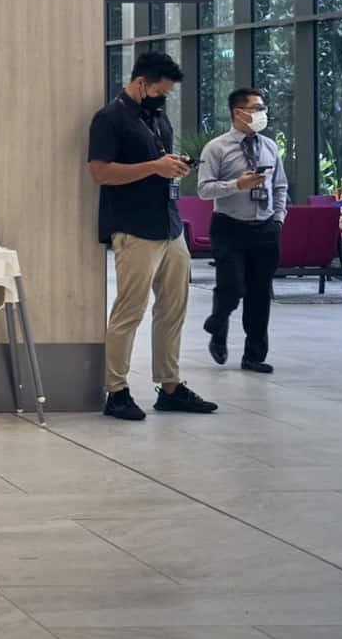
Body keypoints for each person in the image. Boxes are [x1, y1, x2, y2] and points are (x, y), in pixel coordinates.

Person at [90, 50, 217, 422]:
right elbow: (100, 173)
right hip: (134, 227)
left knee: (173, 309)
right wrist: (154, 167)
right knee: (130, 311)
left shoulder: (158, 118)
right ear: (141, 82)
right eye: (161, 90)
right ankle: (116, 391)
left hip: (169, 225)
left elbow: (158, 165)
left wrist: (174, 166)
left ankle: (170, 386)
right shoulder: (109, 119)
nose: (164, 97)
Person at [196, 88, 288, 375]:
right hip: (229, 226)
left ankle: (254, 355)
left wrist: (279, 218)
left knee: (260, 294)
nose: (263, 113)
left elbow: (280, 186)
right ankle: (218, 324)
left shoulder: (270, 146)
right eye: (257, 107)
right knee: (232, 285)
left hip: (265, 227)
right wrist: (237, 184)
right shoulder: (217, 148)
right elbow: (203, 189)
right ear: (239, 113)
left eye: (263, 107)